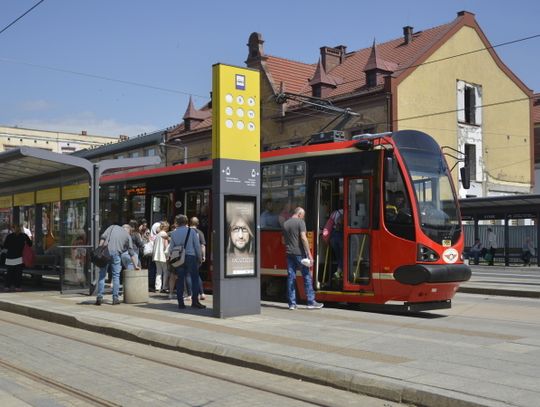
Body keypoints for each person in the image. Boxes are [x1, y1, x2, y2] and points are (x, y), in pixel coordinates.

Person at [283, 207, 323, 310]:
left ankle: (292, 304)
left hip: (289, 253)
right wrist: (309, 254)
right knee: (306, 276)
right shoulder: (300, 222)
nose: (303, 217)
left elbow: (283, 240)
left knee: (291, 277)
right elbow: (304, 238)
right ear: (300, 214)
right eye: (303, 216)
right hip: (299, 254)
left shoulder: (285, 224)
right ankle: (310, 302)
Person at [95, 224, 140, 305]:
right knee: (116, 276)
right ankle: (115, 298)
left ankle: (99, 297)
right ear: (129, 230)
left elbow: (103, 237)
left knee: (102, 275)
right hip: (116, 254)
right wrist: (135, 266)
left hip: (105, 253)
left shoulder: (112, 227)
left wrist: (99, 249)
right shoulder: (128, 236)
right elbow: (131, 253)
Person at [169, 214, 204, 309]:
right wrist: (200, 258)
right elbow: (197, 246)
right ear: (186, 222)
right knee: (194, 279)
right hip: (190, 257)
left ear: (178, 223)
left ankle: (181, 303)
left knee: (180, 279)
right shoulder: (191, 231)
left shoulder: (174, 233)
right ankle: (195, 302)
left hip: (179, 258)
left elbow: (171, 249)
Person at [3, 224, 32, 292]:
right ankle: (17, 287)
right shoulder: (24, 236)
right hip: (19, 257)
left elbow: (5, 246)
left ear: (13, 229)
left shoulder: (9, 236)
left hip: (9, 257)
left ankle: (7, 286)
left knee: (9, 273)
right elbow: (30, 244)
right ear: (20, 228)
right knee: (18, 273)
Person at [226, 211, 255, 276]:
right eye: (235, 229)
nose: (240, 236)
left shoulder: (255, 260)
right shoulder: (225, 261)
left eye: (245, 229)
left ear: (250, 233)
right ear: (230, 234)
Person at [187, 216, 206, 301]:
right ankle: (202, 293)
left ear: (189, 222)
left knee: (188, 275)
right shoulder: (200, 232)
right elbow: (202, 245)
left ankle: (190, 295)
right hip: (197, 255)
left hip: (188, 255)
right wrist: (203, 256)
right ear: (197, 223)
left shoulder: (186, 232)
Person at [152, 221, 170, 293]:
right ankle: (164, 287)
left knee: (158, 271)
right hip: (162, 255)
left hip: (156, 255)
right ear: (166, 227)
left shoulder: (158, 234)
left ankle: (157, 287)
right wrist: (167, 255)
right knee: (165, 271)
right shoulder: (164, 234)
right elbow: (165, 245)